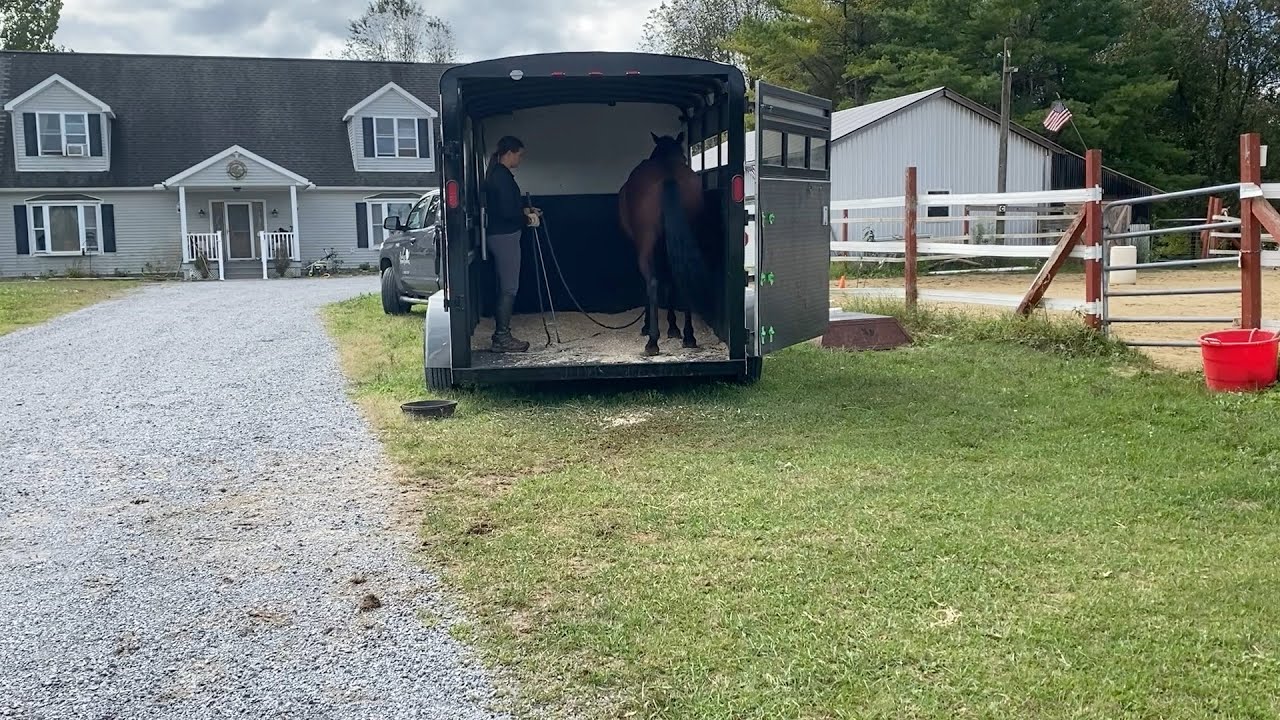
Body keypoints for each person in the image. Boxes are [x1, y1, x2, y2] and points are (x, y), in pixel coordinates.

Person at [484, 135, 541, 353]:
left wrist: (526, 211)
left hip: (500, 234)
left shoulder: (498, 175)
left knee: (506, 286)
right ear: (509, 153)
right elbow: (507, 212)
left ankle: (502, 335)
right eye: (519, 154)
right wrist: (527, 218)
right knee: (509, 287)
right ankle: (502, 337)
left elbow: (505, 208)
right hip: (505, 236)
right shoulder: (502, 177)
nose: (520, 159)